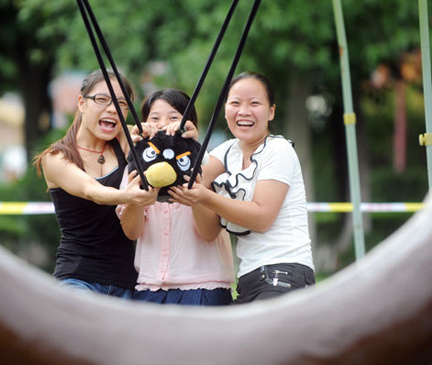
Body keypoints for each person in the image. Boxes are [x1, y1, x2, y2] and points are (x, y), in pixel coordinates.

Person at [169, 72, 315, 304]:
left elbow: (261, 217)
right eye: (235, 103)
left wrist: (204, 196)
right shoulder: (226, 152)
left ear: (271, 111)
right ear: (225, 108)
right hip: (248, 279)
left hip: (286, 272)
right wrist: (182, 143)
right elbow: (207, 228)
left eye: (254, 103)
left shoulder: (278, 149)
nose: (243, 111)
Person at [33, 69, 158, 299]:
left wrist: (157, 134)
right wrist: (129, 196)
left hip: (127, 282)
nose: (112, 109)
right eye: (102, 99)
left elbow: (165, 147)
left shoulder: (125, 141)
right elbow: (92, 191)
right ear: (81, 103)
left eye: (121, 104)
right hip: (77, 278)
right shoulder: (56, 157)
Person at [117, 89, 235, 306]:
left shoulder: (206, 163)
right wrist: (137, 196)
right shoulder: (137, 168)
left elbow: (209, 232)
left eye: (173, 117)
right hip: (150, 288)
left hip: (204, 287)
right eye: (154, 118)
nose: (163, 124)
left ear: (189, 126)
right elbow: (132, 232)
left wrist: (196, 195)